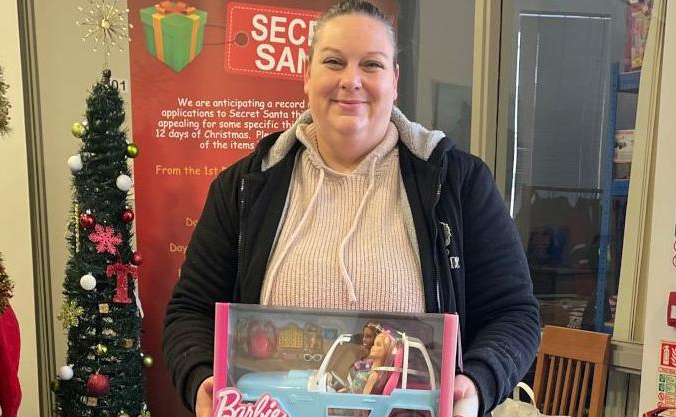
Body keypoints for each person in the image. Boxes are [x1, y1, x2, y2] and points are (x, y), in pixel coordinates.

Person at [163, 1, 540, 416]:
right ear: (307, 75)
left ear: (394, 80)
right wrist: (201, 377)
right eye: (333, 61)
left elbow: (513, 314)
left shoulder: (457, 183)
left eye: (372, 65)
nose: (351, 80)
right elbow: (191, 312)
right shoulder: (243, 187)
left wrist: (477, 383)